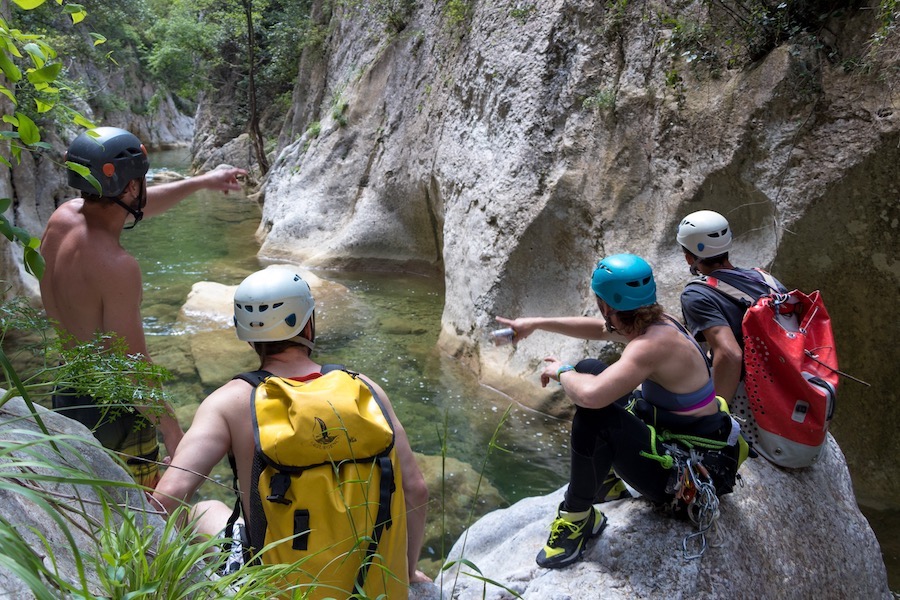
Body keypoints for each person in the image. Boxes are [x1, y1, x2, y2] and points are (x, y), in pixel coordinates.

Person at [152, 268, 431, 590]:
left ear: (243, 331)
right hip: (373, 588)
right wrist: (407, 574)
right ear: (308, 322)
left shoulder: (229, 401)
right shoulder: (365, 388)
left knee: (203, 510)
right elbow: (416, 491)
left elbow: (168, 498)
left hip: (279, 590)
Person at [496, 253, 742, 569]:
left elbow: (590, 396)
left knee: (594, 412)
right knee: (590, 367)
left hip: (688, 480)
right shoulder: (656, 321)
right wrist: (535, 324)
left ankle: (577, 517)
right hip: (683, 440)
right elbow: (598, 331)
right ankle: (606, 484)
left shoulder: (650, 346)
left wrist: (562, 371)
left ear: (607, 305)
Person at [39, 126, 248, 486]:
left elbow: (131, 205)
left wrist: (202, 182)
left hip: (67, 392)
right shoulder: (117, 266)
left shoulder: (63, 218)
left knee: (91, 503)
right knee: (141, 518)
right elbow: (133, 370)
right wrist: (173, 433)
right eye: (139, 181)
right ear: (132, 186)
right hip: (115, 413)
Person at [676, 210, 787, 438]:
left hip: (749, 395)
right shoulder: (766, 279)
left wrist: (715, 415)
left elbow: (729, 354)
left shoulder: (697, 294)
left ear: (689, 257)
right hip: (786, 382)